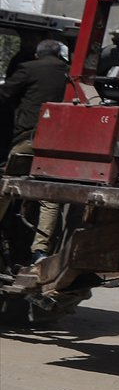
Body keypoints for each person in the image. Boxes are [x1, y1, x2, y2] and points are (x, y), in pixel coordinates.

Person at [0, 40, 70, 261]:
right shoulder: (71, 74)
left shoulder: (29, 69)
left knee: (6, 186)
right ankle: (40, 251)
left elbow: (4, 95)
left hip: (29, 139)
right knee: (49, 195)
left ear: (38, 55)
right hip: (59, 143)